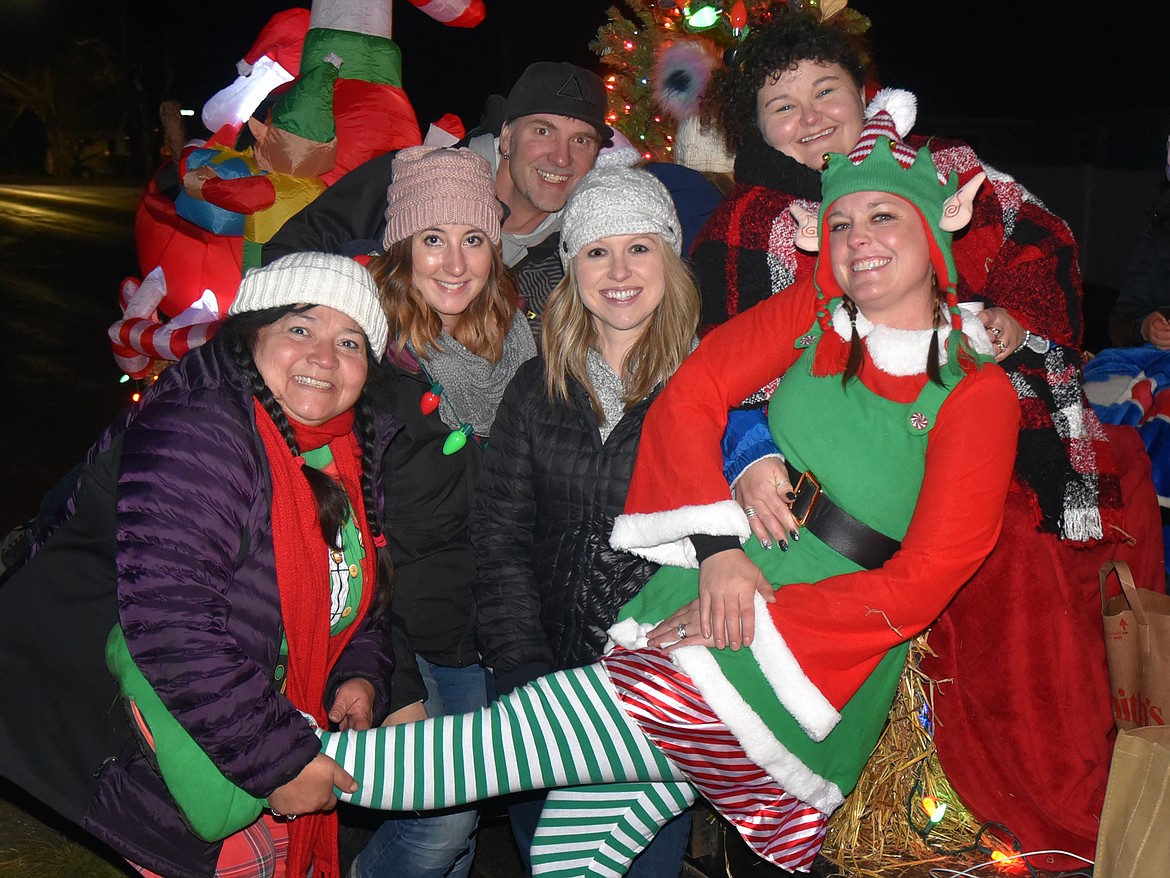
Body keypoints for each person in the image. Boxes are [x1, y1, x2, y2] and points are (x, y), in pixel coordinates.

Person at [306, 111, 1021, 876]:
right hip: (697, 602)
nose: (858, 239)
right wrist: (717, 544)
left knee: (497, 747)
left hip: (800, 650)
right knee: (567, 853)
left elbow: (932, 576)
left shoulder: (976, 394)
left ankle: (294, 758)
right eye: (840, 222)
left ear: (938, 226)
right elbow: (700, 390)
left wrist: (758, 614)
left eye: (883, 216)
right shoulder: (813, 314)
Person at [693, 7, 1164, 867]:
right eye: (781, 106)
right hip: (822, 509)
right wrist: (747, 448)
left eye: (824, 91)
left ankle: (1035, 835)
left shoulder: (947, 174)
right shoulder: (746, 225)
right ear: (752, 130)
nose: (810, 118)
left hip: (967, 462)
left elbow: (1041, 245)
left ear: (863, 92)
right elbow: (717, 370)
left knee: (1020, 615)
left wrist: (1012, 325)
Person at [0, 253, 397, 878]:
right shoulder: (201, 427)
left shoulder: (343, 449)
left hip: (240, 712)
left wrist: (359, 670)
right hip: (144, 725)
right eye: (300, 327)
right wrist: (279, 761)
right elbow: (170, 620)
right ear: (251, 335)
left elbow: (353, 580)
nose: (324, 356)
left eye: (349, 341)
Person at [473, 166, 700, 875]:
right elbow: (499, 539)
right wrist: (524, 670)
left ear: (670, 260)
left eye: (640, 247)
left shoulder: (709, 387)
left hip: (655, 700)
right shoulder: (537, 388)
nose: (619, 269)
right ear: (572, 269)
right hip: (539, 690)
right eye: (597, 250)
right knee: (552, 863)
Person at [347, 145, 536, 878]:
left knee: (453, 842)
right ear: (402, 250)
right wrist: (388, 686)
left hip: (488, 638)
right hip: (403, 642)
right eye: (433, 239)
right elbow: (349, 540)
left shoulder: (523, 353)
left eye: (473, 240)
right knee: (439, 825)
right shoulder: (367, 368)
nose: (455, 264)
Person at [262, 61, 611, 339]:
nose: (562, 158)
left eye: (582, 140)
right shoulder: (408, 181)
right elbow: (286, 253)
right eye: (543, 130)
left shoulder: (577, 256)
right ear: (507, 137)